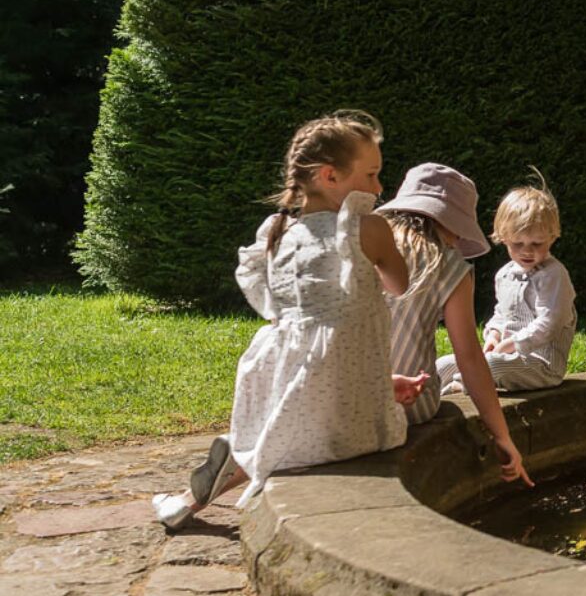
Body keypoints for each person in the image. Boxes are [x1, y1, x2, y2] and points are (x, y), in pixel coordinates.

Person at [154, 110, 422, 528]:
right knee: (351, 437)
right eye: (371, 175)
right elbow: (398, 284)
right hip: (345, 389)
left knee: (285, 431)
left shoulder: (276, 230)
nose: (379, 187)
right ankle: (242, 466)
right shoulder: (368, 229)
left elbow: (299, 318)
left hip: (284, 371)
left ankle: (193, 495)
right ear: (330, 177)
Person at [379, 163, 534, 486]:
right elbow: (469, 356)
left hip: (355, 390)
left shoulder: (367, 243)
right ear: (452, 224)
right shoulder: (450, 266)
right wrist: (502, 436)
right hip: (411, 405)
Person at [438, 178, 575, 396]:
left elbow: (551, 322)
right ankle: (423, 390)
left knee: (488, 364)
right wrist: (493, 335)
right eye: (517, 244)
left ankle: (461, 388)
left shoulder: (553, 276)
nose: (527, 251)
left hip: (540, 363)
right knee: (445, 363)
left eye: (536, 244)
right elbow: (502, 314)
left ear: (552, 237)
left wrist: (513, 344)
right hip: (506, 355)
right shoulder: (505, 274)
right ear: (503, 238)